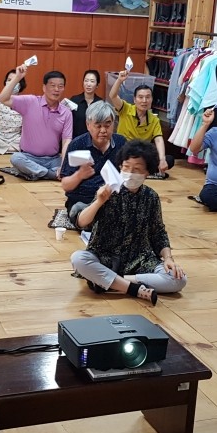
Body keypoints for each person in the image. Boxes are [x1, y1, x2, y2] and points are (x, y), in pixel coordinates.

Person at [70, 140, 186, 305]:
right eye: (126, 167)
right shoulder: (108, 191)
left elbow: (158, 233)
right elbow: (81, 222)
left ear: (147, 172)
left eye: (137, 169)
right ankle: (133, 289)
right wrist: (99, 202)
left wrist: (168, 258)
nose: (130, 173)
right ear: (119, 167)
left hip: (140, 259)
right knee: (78, 259)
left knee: (179, 279)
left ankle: (111, 282)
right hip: (105, 257)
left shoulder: (151, 197)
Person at [0, 65, 73, 180]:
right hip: (28, 157)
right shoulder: (30, 102)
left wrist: (63, 166)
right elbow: (2, 98)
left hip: (53, 159)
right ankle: (51, 175)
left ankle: (36, 172)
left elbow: (67, 141)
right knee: (16, 158)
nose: (56, 89)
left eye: (60, 86)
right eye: (52, 85)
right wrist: (17, 77)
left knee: (72, 166)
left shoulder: (66, 112)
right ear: (44, 87)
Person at [60, 101, 126, 224]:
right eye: (98, 126)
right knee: (85, 217)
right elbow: (65, 185)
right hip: (83, 198)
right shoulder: (77, 145)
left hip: (112, 198)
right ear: (88, 125)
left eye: (107, 125)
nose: (103, 130)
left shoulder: (121, 142)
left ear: (114, 124)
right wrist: (80, 175)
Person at [108, 69, 173, 175]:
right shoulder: (125, 109)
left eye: (147, 97)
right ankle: (138, 170)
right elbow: (113, 96)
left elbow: (158, 139)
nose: (144, 101)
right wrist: (119, 80)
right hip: (124, 152)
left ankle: (138, 169)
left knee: (169, 160)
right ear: (134, 100)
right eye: (140, 97)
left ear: (151, 100)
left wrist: (162, 159)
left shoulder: (154, 119)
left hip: (141, 154)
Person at [68, 69, 103, 139]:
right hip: (76, 140)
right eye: (86, 81)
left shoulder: (100, 103)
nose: (88, 84)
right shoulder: (74, 100)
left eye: (92, 81)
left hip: (94, 141)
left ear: (97, 85)